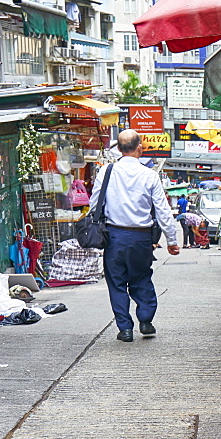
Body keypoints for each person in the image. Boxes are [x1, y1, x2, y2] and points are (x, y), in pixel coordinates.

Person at [91, 130, 179, 342]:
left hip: (113, 236)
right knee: (141, 277)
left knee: (116, 282)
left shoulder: (106, 172)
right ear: (140, 148)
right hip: (141, 238)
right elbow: (163, 210)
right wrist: (172, 240)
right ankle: (146, 320)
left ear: (119, 149)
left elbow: (94, 203)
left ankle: (125, 329)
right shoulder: (149, 175)